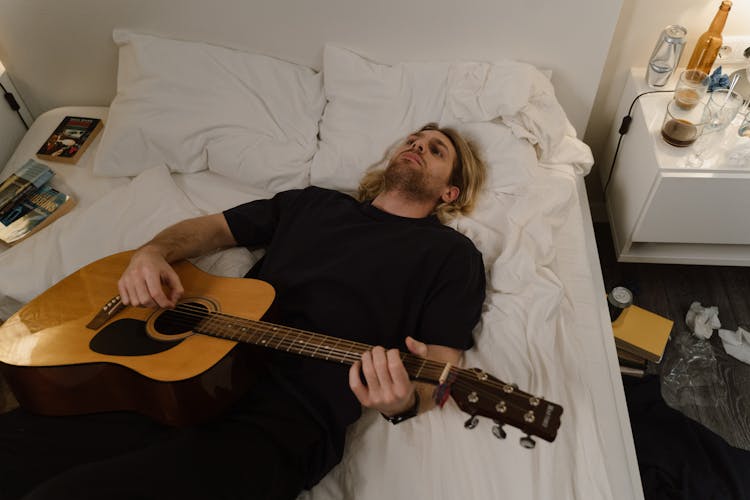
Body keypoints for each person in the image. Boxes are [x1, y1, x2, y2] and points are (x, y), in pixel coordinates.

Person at [0, 123, 487, 500]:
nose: (418, 146)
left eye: (436, 149)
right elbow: (210, 230)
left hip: (286, 418)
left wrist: (404, 403)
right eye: (415, 139)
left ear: (450, 193)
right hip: (175, 369)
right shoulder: (313, 204)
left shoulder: (451, 255)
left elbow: (442, 368)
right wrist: (150, 253)